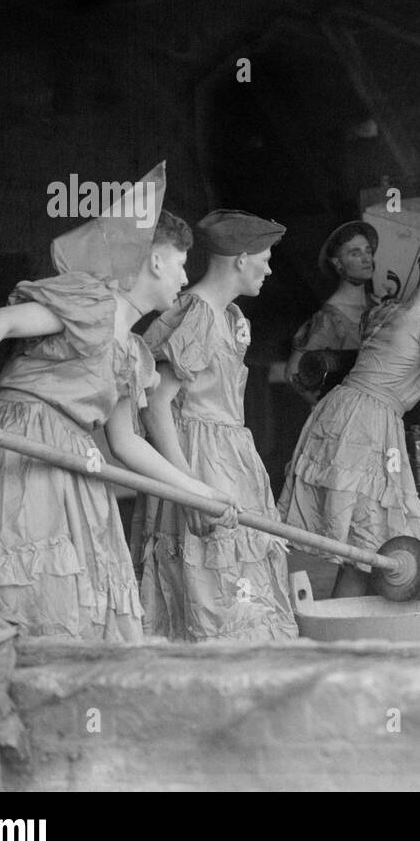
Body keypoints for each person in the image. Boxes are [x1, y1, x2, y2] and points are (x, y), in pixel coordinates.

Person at [0, 164, 239, 641]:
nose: (184, 277)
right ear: (155, 261)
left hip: (75, 462)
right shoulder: (90, 303)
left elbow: (126, 444)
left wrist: (199, 492)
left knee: (78, 603)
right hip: (21, 444)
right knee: (26, 586)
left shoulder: (133, 354)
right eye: (180, 263)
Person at [134, 209, 300, 642]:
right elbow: (156, 406)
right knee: (214, 587)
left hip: (229, 455)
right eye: (264, 258)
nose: (269, 269)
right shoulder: (198, 315)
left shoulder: (230, 317)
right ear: (241, 259)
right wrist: (189, 488)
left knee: (242, 582)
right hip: (198, 459)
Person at [278, 245, 420, 597]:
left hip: (340, 411)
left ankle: (349, 625)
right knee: (368, 545)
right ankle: (343, 628)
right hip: (368, 424)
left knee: (362, 547)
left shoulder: (387, 312)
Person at [287, 221, 380, 404]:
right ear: (338, 263)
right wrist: (330, 409)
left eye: (368, 251)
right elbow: (293, 372)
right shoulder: (329, 319)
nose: (366, 259)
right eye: (355, 253)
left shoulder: (377, 305)